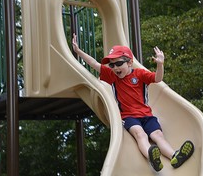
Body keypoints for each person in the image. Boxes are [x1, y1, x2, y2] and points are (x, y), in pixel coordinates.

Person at [72, 34, 194, 172]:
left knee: (158, 135)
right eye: (112, 65)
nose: (115, 67)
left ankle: (175, 156)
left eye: (119, 63)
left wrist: (160, 64)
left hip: (147, 115)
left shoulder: (139, 74)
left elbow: (158, 78)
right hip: (129, 117)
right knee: (140, 134)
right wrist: (78, 52)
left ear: (129, 63)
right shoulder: (112, 76)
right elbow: (94, 64)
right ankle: (151, 157)